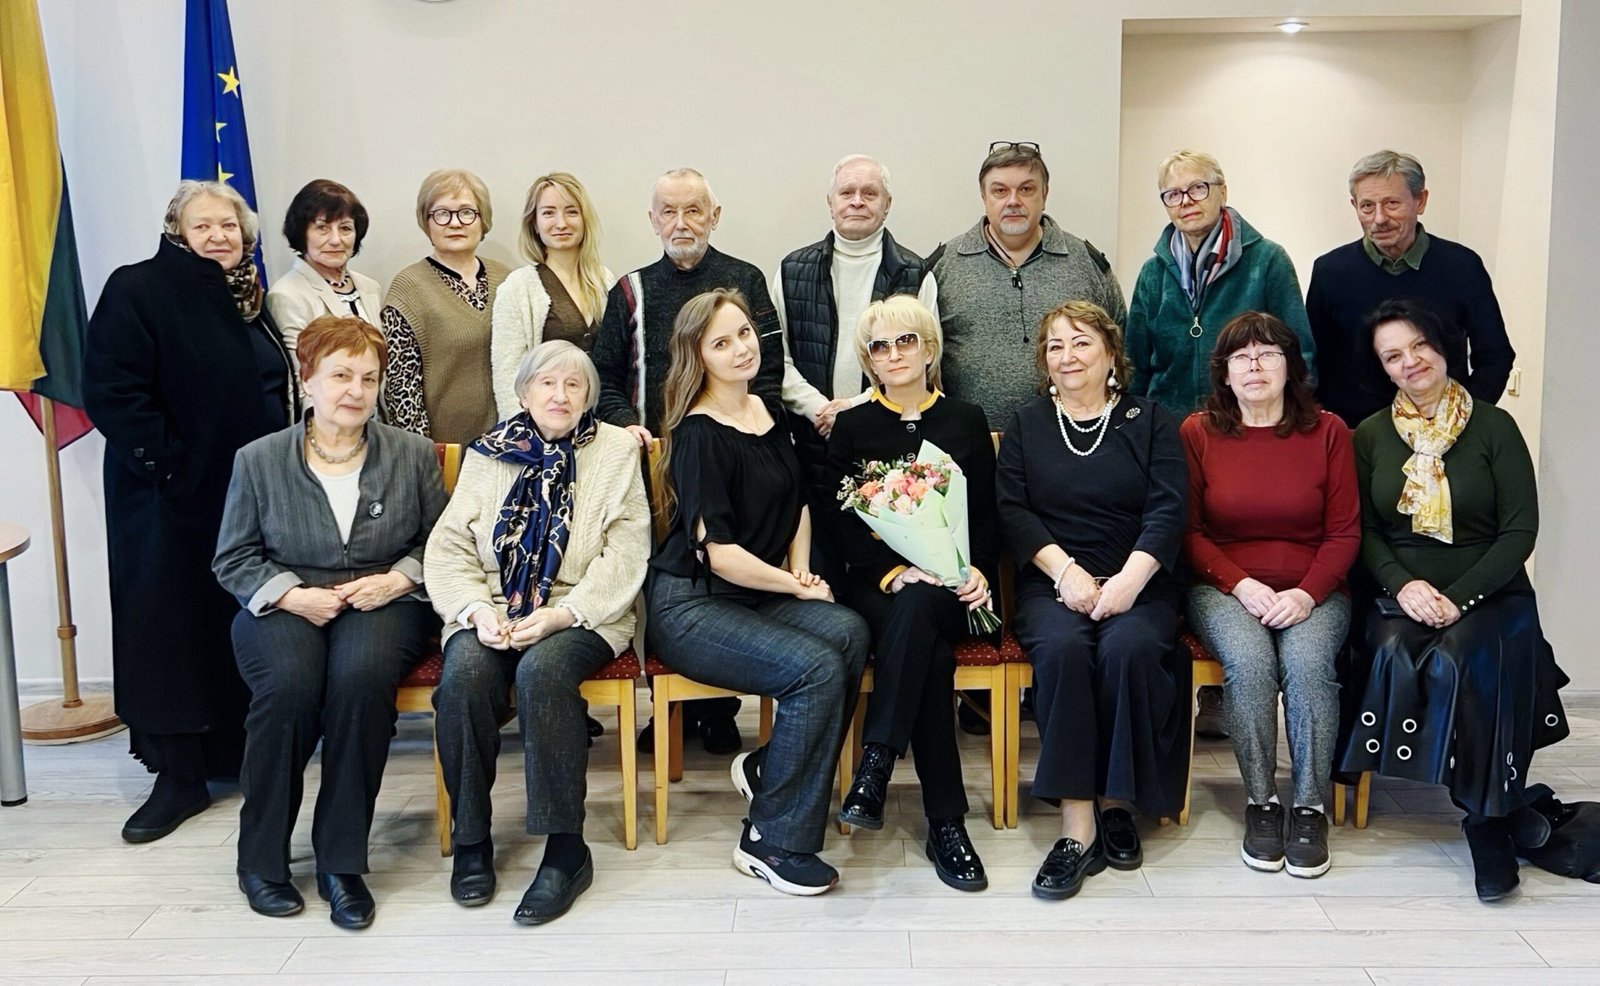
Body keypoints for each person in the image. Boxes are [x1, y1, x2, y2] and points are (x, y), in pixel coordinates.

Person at [83, 179, 297, 845]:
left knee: (231, 624)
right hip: (167, 502)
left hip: (242, 500)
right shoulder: (138, 287)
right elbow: (112, 391)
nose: (218, 236)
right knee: (166, 630)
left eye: (229, 226)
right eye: (202, 225)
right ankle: (176, 776)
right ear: (177, 231)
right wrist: (173, 468)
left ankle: (229, 753)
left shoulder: (249, 300)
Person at [212, 315, 443, 928]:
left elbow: (442, 542)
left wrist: (398, 579)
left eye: (368, 378)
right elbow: (233, 557)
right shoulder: (259, 459)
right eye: (341, 375)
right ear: (307, 380)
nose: (355, 391)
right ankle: (260, 859)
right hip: (286, 601)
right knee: (288, 690)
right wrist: (292, 595)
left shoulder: (412, 454)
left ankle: (341, 864)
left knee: (360, 683)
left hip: (382, 599)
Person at [1340, 299, 1568, 901]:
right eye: (1393, 355)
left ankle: (1484, 819)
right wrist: (1404, 585)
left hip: (1491, 592)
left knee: (1467, 653)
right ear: (1382, 368)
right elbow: (1364, 531)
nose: (1410, 361)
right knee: (1397, 648)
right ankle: (1498, 806)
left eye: (1419, 345)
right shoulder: (1370, 435)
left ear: (1443, 346)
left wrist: (1459, 598)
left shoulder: (1494, 427)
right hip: (1402, 596)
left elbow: (1519, 531)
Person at [645, 288, 869, 897]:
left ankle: (769, 766)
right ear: (698, 356)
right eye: (722, 343)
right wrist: (793, 587)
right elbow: (718, 554)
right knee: (816, 669)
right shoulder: (697, 434)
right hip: (693, 604)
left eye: (744, 333)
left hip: (757, 589)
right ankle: (770, 840)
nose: (741, 348)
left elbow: (798, 505)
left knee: (850, 632)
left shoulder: (768, 411)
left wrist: (800, 572)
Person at [428, 340, 649, 925]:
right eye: (546, 383)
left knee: (543, 672)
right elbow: (449, 546)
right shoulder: (487, 454)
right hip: (493, 606)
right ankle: (471, 841)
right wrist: (475, 611)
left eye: (573, 385)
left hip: (585, 610)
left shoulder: (615, 450)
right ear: (523, 393)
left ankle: (565, 850)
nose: (559, 395)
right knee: (464, 679)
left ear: (588, 396)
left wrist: (562, 614)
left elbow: (627, 551)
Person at [996, 300, 1189, 900]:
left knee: (1129, 648)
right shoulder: (1027, 424)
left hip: (1140, 580)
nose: (1067, 356)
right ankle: (1077, 820)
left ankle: (1118, 804)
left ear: (1110, 354)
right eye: (1055, 346)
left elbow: (1168, 508)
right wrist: (1067, 573)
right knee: (1062, 650)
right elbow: (1013, 511)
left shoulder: (1150, 420)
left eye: (1081, 342)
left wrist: (1129, 580)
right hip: (1053, 583)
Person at [593, 168, 784, 753]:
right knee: (667, 581)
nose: (682, 223)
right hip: (652, 466)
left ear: (714, 216)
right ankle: (668, 709)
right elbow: (604, 378)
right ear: (653, 221)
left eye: (694, 210)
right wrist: (628, 425)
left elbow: (769, 373)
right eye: (669, 212)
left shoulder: (744, 279)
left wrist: (741, 434)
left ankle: (719, 707)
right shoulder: (629, 289)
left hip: (728, 463)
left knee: (722, 579)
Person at [1180, 312, 1359, 878]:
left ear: (1291, 365)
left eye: (1268, 354)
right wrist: (1241, 583)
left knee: (1308, 667)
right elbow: (1188, 533)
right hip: (1223, 587)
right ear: (1224, 372)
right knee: (1250, 663)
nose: (1254, 366)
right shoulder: (1198, 433)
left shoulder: (1329, 431)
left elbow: (1345, 533)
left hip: (1314, 588)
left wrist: (1307, 594)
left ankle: (1309, 808)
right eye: (1241, 357)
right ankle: (1261, 802)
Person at [825, 296, 993, 892]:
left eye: (906, 341)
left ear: (929, 349)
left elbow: (987, 513)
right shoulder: (852, 426)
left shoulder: (966, 419)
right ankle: (946, 822)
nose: (894, 354)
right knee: (930, 651)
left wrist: (978, 571)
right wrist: (894, 572)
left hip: (955, 586)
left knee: (924, 609)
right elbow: (839, 523)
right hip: (880, 586)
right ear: (868, 360)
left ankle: (876, 765)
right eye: (880, 346)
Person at [774, 155, 939, 574]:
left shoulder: (915, 273)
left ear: (887, 204)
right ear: (830, 202)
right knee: (820, 563)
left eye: (870, 193)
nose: (857, 201)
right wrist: (820, 409)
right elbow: (777, 358)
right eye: (846, 192)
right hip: (810, 438)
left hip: (886, 440)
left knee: (881, 562)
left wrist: (854, 409)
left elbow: (927, 360)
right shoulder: (791, 270)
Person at [1306, 150, 1516, 427]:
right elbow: (1312, 360)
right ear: (1354, 205)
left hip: (1445, 433)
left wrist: (1464, 419)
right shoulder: (1329, 271)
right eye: (1367, 206)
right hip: (1356, 434)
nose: (1379, 218)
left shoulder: (1462, 267)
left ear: (1420, 200)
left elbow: (1495, 356)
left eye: (1392, 203)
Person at [931, 142, 1126, 430]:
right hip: (968, 441)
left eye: (1026, 189)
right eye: (1000, 191)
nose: (1013, 201)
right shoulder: (943, 265)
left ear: (1044, 195)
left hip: (1073, 439)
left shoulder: (1087, 263)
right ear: (984, 197)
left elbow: (1121, 344)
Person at [1126, 150, 1315, 421]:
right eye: (1173, 194)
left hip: (1247, 424)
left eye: (1198, 188)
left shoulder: (1267, 260)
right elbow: (1134, 364)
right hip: (1167, 427)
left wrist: (1289, 422)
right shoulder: (1152, 273)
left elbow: (1299, 353)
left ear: (1223, 192)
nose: (1186, 201)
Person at [381, 168, 512, 444]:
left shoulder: (509, 279)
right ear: (426, 222)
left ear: (483, 220)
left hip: (512, 445)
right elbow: (402, 391)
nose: (455, 223)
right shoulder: (408, 288)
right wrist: (424, 456)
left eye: (466, 212)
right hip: (446, 452)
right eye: (442, 214)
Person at [490, 172, 616, 418]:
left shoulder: (605, 280)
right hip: (544, 427)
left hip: (603, 422)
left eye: (571, 212)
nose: (561, 223)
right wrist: (525, 435)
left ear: (584, 219)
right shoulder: (518, 288)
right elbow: (508, 378)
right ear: (534, 224)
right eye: (548, 213)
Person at [265, 179, 383, 362]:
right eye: (322, 227)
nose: (336, 240)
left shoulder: (371, 288)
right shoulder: (286, 295)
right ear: (302, 233)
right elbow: (300, 374)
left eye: (345, 228)